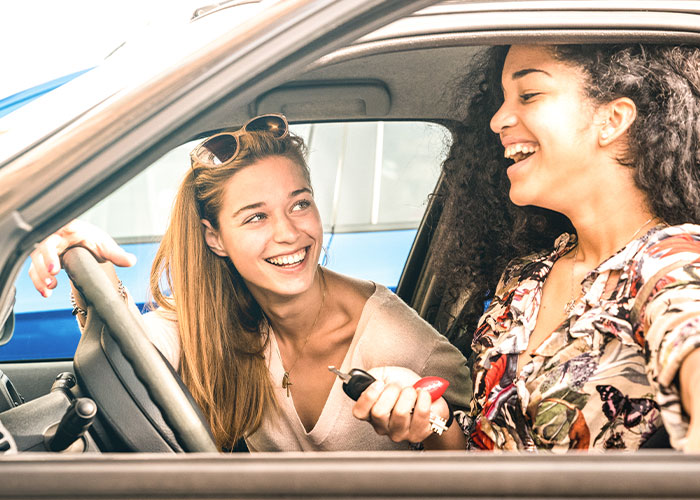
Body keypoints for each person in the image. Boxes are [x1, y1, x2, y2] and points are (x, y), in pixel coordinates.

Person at [29, 114, 471, 452]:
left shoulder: (403, 343)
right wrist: (81, 255)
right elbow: (131, 349)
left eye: (300, 204)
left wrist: (433, 423)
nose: (288, 233)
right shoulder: (223, 320)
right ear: (215, 237)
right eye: (256, 216)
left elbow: (477, 460)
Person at [354, 44, 700, 452]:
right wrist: (429, 416)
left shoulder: (671, 266)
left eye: (529, 94)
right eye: (502, 100)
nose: (498, 119)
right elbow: (482, 453)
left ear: (614, 119)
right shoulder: (526, 279)